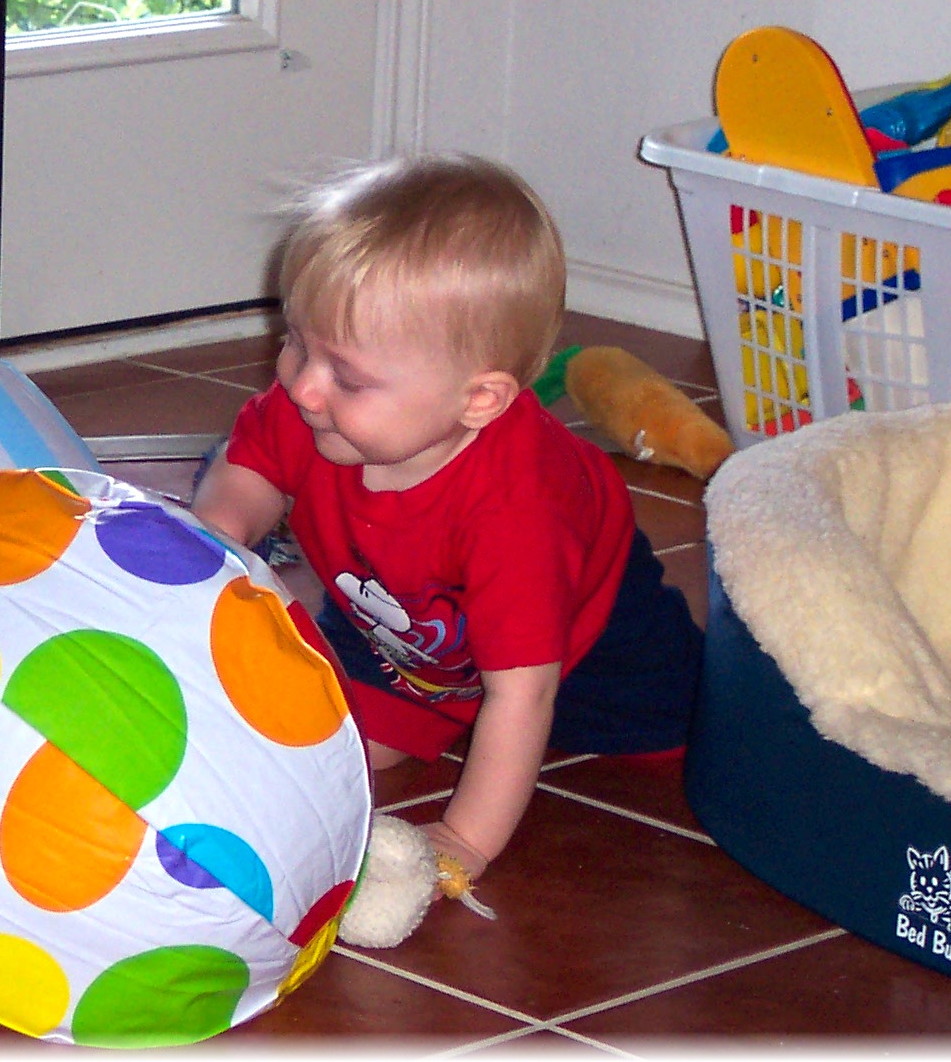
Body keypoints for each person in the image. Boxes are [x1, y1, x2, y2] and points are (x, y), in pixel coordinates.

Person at [191, 152, 701, 894]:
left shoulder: (518, 513)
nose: (302, 386)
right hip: (396, 628)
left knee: (687, 743)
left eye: (347, 375)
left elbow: (522, 694)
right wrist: (215, 535)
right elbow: (252, 466)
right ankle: (422, 711)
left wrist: (463, 839)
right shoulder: (316, 408)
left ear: (480, 401)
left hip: (594, 658)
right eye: (295, 341)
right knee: (319, 749)